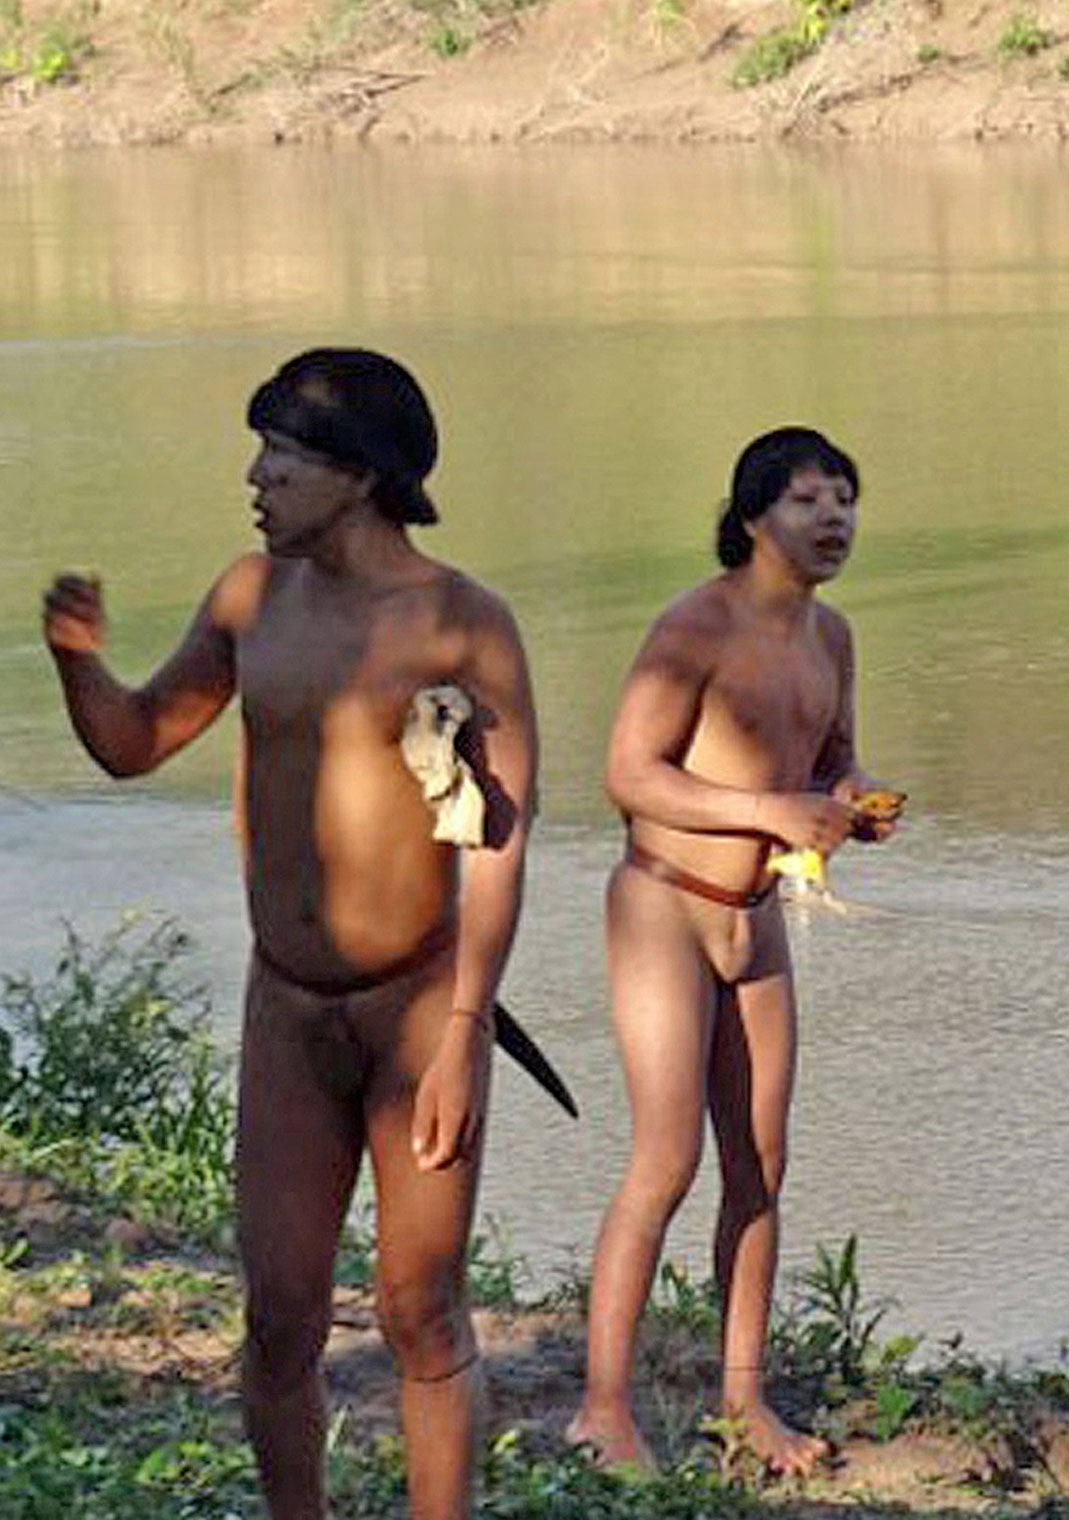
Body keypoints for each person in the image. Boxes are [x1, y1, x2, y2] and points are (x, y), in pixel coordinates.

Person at [41, 349, 537, 1520]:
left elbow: (503, 838)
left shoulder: (462, 622)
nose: (256, 479)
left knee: (420, 1308)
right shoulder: (249, 596)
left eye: (282, 456)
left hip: (416, 1007)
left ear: (359, 476)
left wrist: (467, 1026)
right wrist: (77, 663)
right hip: (287, 1004)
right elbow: (135, 739)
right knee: (277, 1316)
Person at [569, 426, 897, 1475]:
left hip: (754, 915)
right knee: (664, 1160)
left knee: (758, 1164)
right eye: (808, 499)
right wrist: (770, 806)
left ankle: (744, 1403)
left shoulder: (830, 635)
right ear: (753, 516)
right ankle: (603, 1411)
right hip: (663, 904)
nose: (833, 518)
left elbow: (833, 753)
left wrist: (847, 801)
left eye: (844, 497)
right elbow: (628, 772)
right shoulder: (693, 627)